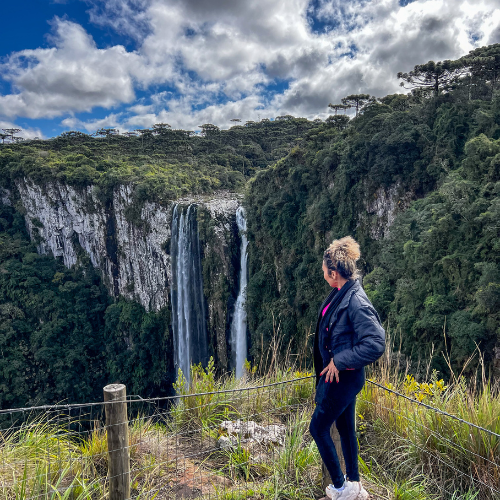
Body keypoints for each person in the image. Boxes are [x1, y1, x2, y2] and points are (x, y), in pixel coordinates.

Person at [310, 236, 385, 500]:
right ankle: (354, 484)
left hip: (343, 379)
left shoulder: (356, 301)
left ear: (333, 273)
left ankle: (341, 488)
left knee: (318, 428)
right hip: (342, 378)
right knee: (345, 429)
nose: (322, 273)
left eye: (323, 270)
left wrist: (339, 361)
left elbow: (376, 343)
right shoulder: (342, 291)